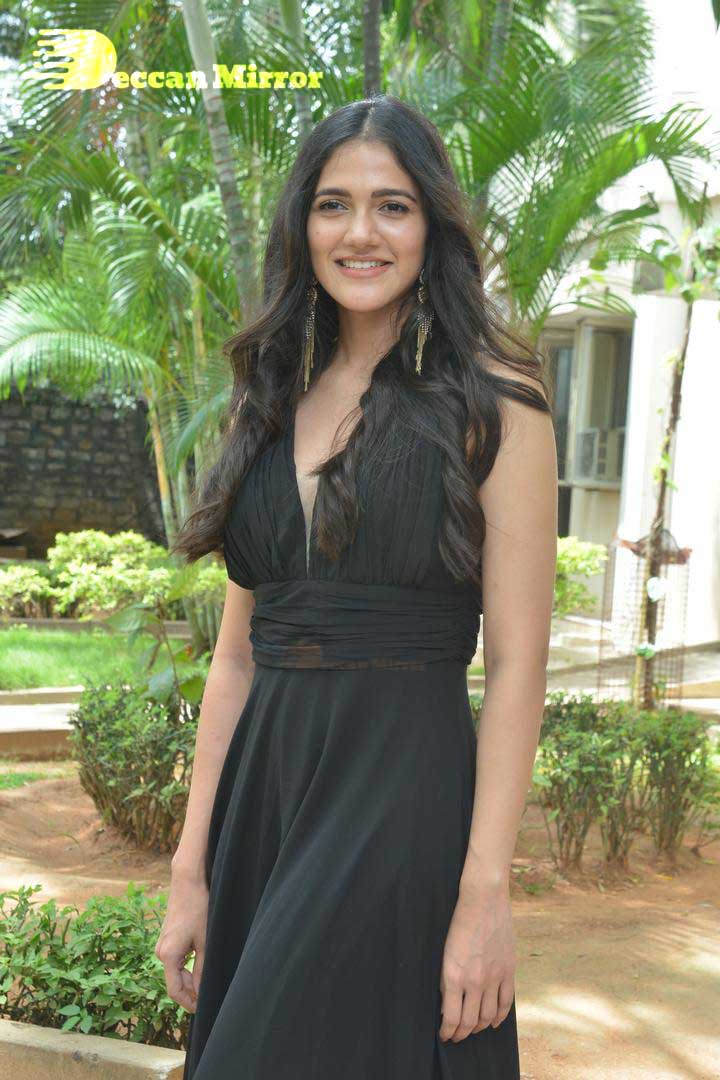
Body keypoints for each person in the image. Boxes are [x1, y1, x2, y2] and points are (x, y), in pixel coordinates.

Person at [159, 93, 558, 1080]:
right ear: (303, 225)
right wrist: (191, 866)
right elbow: (235, 660)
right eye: (334, 204)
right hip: (266, 800)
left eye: (393, 206)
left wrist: (485, 892)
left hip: (401, 798)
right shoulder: (266, 400)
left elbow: (517, 664)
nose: (361, 233)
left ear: (432, 226)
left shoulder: (497, 405)